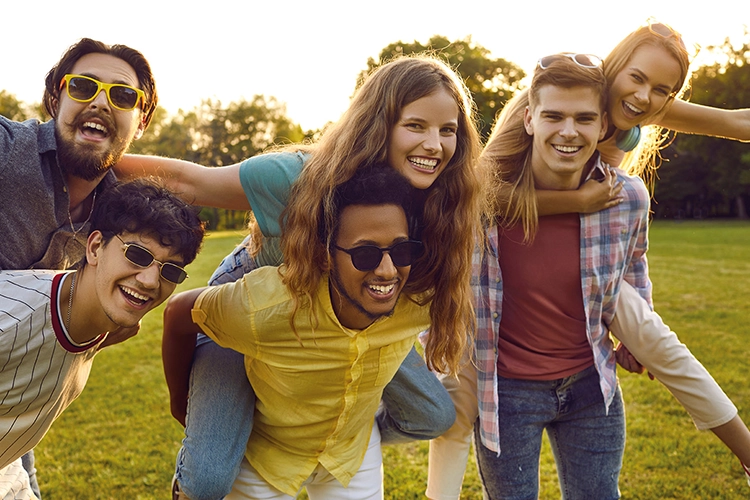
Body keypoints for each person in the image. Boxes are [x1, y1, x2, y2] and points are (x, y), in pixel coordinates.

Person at [115, 54, 482, 500]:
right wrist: (88, 161)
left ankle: (339, 427)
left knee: (434, 414)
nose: (436, 144)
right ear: (378, 124)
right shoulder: (300, 177)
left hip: (356, 314)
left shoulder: (446, 196)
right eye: (416, 126)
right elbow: (191, 183)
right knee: (208, 478)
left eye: (449, 130)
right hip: (257, 308)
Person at [426, 21, 750, 500]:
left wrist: (634, 309)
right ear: (615, 67)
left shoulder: (635, 118)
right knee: (455, 412)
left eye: (663, 91)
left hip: (595, 263)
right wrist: (575, 203)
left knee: (656, 340)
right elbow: (482, 195)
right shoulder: (561, 96)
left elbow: (734, 123)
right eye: (637, 79)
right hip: (522, 264)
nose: (644, 96)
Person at [162, 165, 432, 499]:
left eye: (402, 250)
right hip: (266, 458)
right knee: (206, 481)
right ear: (326, 256)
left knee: (437, 415)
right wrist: (179, 400)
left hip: (349, 452)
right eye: (365, 255)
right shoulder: (267, 307)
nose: (388, 270)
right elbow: (177, 313)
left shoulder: (418, 297)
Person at [0, 37, 158, 497]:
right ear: (56, 99)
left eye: (123, 95)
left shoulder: (120, 208)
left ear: (141, 119)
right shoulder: (9, 151)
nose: (102, 102)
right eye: (84, 86)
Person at [0, 178, 205, 500]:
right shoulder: (9, 319)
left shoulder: (112, 324)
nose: (151, 281)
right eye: (137, 255)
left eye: (171, 271)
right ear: (95, 247)